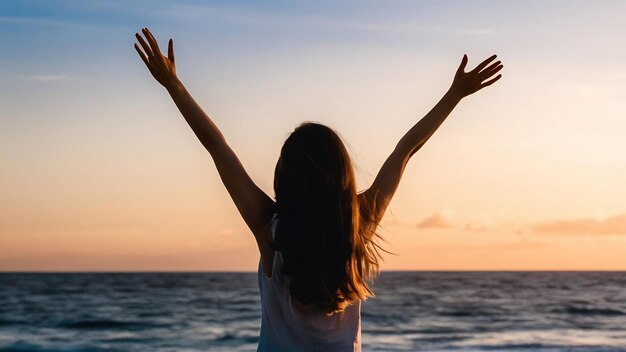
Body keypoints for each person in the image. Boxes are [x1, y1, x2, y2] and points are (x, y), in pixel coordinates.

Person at [133, 27, 503, 351]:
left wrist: (174, 86)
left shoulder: (270, 229)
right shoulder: (358, 225)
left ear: (286, 176)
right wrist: (454, 94)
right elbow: (405, 150)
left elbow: (218, 148)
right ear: (342, 173)